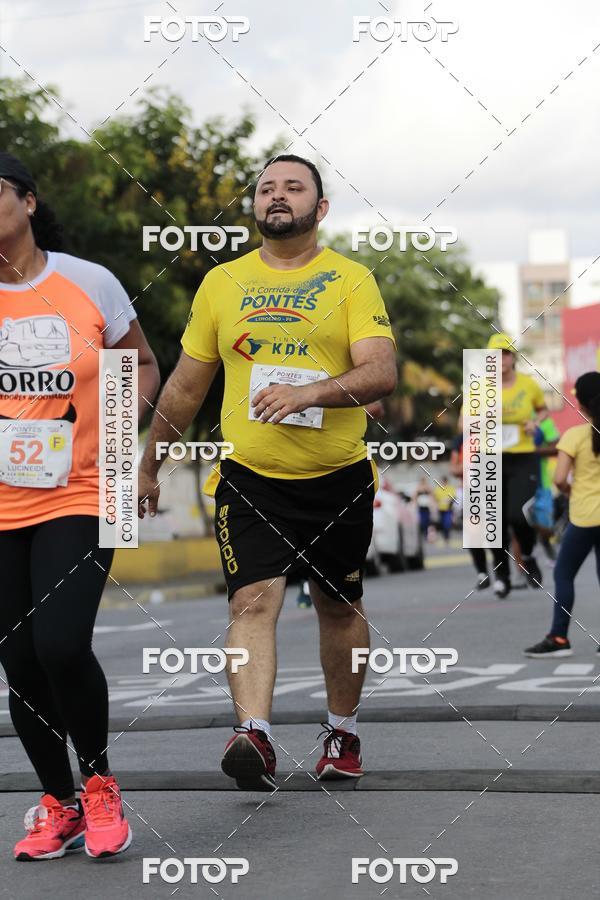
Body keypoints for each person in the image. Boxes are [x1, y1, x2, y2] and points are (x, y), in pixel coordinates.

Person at [138, 154, 397, 788]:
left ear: (321, 207)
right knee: (251, 602)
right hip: (249, 477)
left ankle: (344, 733)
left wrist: (311, 393)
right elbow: (185, 387)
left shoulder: (351, 279)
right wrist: (147, 464)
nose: (277, 196)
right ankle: (253, 733)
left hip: (336, 478)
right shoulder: (222, 283)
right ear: (254, 207)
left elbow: (380, 373)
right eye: (265, 189)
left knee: (340, 607)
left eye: (293, 187)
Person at [0, 153, 160, 860]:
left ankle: (98, 786)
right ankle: (58, 805)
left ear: (28, 201)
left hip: (87, 490)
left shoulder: (89, 281)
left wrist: (122, 441)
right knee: (19, 661)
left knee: (60, 643)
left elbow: (143, 362)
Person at [525, 372, 600, 657]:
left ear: (580, 403)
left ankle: (558, 638)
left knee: (564, 572)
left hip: (585, 517)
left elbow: (559, 479)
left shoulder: (575, 436)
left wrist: (571, 490)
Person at [488, 333, 548, 598]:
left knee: (518, 514)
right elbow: (463, 420)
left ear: (513, 358)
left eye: (505, 354)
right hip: (491, 458)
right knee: (495, 522)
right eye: (495, 354)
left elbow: (543, 410)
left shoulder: (528, 384)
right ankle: (501, 575)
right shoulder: (479, 386)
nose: (501, 359)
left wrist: (536, 422)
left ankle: (529, 555)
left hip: (523, 457)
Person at [450, 434, 489, 589]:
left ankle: (503, 575)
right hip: (471, 490)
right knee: (473, 532)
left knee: (497, 531)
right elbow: (453, 468)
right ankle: (482, 573)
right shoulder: (460, 440)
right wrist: (469, 466)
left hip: (496, 487)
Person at [432, 475, 457, 544]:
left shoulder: (450, 488)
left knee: (447, 524)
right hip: (440, 509)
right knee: (442, 524)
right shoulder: (438, 489)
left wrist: (449, 500)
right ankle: (444, 537)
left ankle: (447, 538)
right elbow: (435, 498)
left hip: (448, 509)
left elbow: (453, 497)